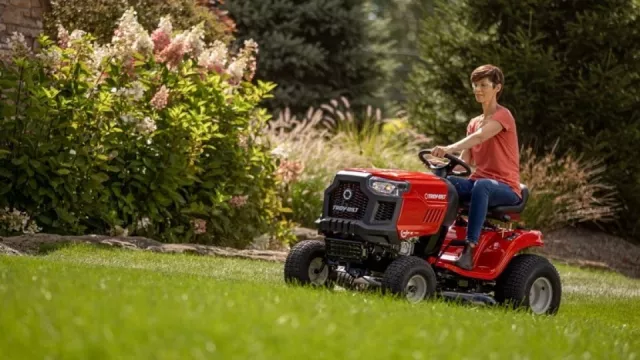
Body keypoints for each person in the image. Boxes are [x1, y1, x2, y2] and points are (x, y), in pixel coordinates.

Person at [430, 64, 522, 270]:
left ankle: (469, 249)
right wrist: (444, 168)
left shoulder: (503, 116)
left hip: (505, 187)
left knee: (482, 186)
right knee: (442, 183)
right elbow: (465, 163)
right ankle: (431, 241)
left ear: (497, 88)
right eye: (475, 85)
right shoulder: (473, 123)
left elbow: (480, 136)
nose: (478, 89)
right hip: (479, 181)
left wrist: (447, 148)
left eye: (483, 85)